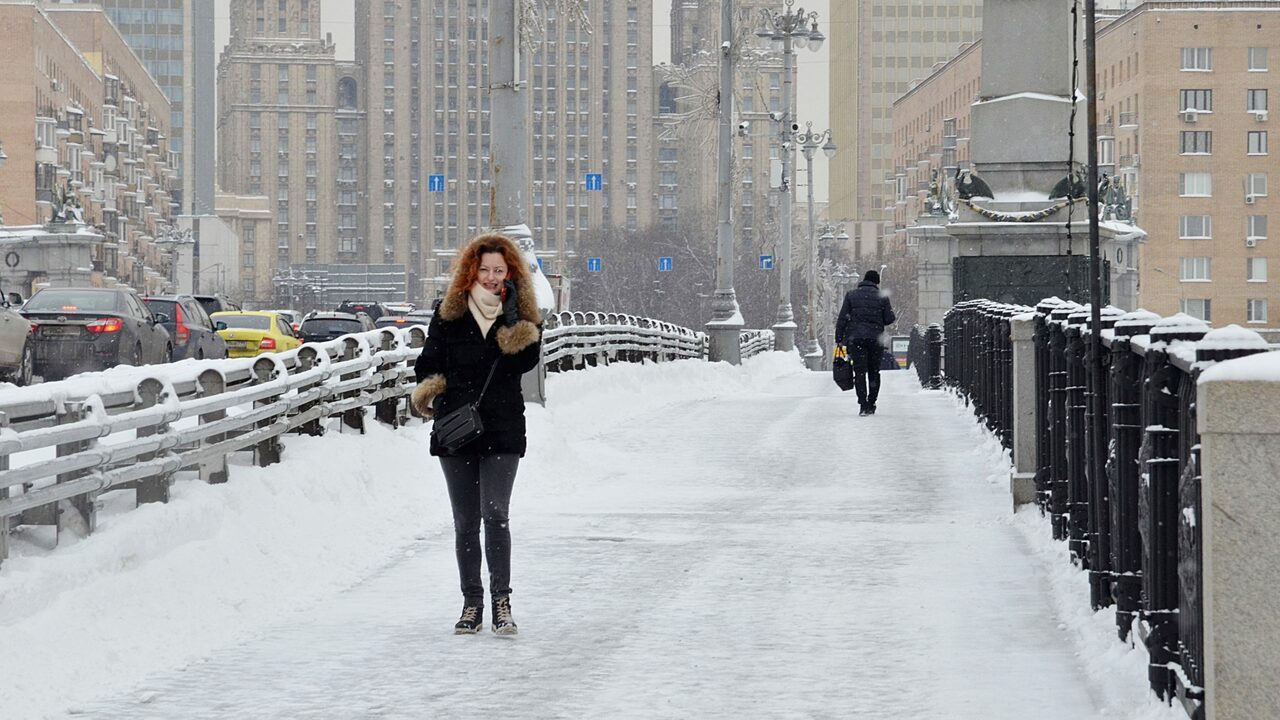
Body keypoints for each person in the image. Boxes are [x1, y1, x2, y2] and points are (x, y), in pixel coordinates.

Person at [411, 233, 543, 635]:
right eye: (484, 269)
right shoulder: (448, 314)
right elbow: (427, 362)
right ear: (472, 270)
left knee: (496, 515)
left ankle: (501, 601)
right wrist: (433, 392)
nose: (490, 277)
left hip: (502, 426)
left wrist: (513, 321)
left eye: (498, 271)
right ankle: (472, 604)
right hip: (458, 427)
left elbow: (526, 363)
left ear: (510, 274)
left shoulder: (521, 313)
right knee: (466, 521)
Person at [835, 270, 896, 416]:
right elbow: (889, 318)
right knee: (874, 372)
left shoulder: (851, 295)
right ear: (877, 282)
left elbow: (842, 318)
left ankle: (862, 404)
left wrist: (839, 338)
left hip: (856, 339)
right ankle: (872, 402)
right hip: (875, 340)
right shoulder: (882, 297)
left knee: (859, 371)